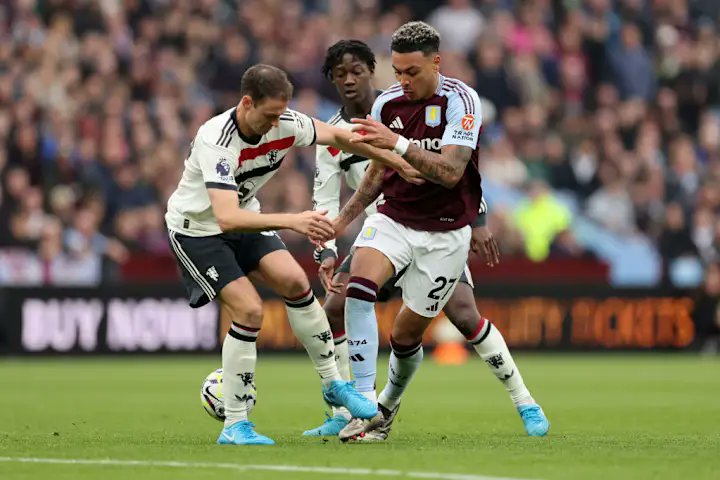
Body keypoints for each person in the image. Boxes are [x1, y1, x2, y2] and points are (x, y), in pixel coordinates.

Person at [164, 64, 422, 446]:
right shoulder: (216, 140)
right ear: (246, 102)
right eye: (269, 115)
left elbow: (339, 136)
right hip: (199, 230)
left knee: (297, 283)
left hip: (245, 217)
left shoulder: (285, 119)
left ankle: (334, 386)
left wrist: (397, 159)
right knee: (249, 310)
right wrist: (295, 222)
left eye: (280, 114)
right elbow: (225, 215)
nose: (275, 124)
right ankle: (235, 425)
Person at [317, 24, 550, 441]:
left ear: (435, 62)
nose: (402, 81)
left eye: (412, 72)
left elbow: (451, 172)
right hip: (393, 219)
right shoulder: (388, 103)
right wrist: (343, 221)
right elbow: (374, 174)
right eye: (398, 71)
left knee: (408, 334)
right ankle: (364, 401)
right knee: (356, 289)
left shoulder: (462, 101)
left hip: (446, 234)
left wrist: (400, 145)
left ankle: (389, 409)